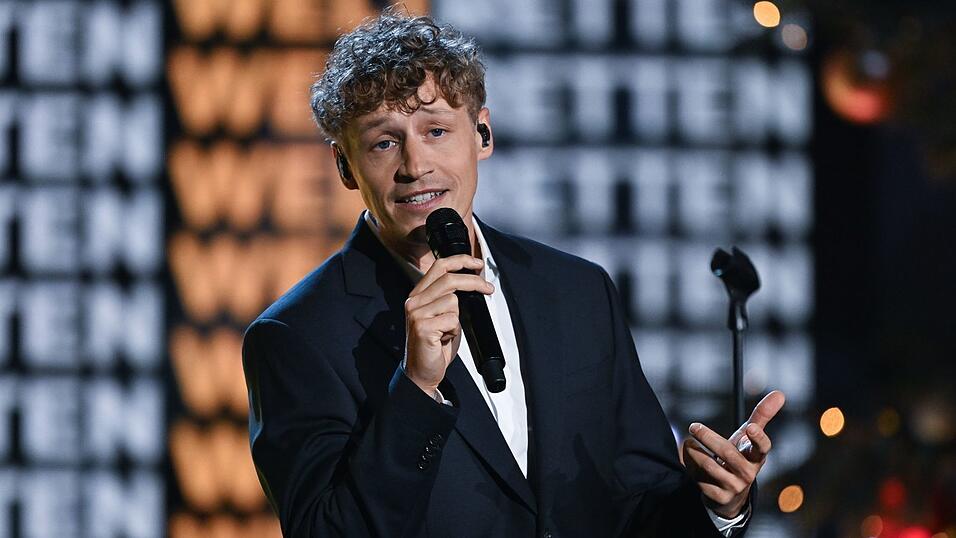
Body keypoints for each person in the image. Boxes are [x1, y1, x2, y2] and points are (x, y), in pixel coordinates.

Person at [242, 9, 786, 538]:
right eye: (384, 142)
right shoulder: (298, 336)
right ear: (344, 165)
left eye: (436, 130)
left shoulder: (577, 291)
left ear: (482, 135)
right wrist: (416, 388)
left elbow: (638, 503)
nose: (414, 166)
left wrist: (719, 505)